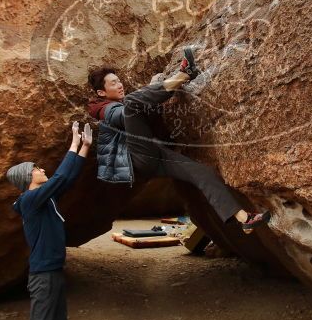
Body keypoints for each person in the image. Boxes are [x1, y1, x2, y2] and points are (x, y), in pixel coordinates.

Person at [86, 48, 270, 232]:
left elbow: (144, 113)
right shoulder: (102, 109)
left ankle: (244, 219)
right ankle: (184, 74)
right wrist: (149, 90)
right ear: (102, 93)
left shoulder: (123, 102)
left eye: (118, 81)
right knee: (133, 102)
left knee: (202, 173)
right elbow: (123, 113)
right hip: (139, 159)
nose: (119, 85)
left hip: (156, 153)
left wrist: (151, 89)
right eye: (113, 83)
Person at [4, 121, 92, 320]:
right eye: (37, 168)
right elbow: (59, 179)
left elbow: (66, 178)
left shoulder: (45, 200)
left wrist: (84, 147)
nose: (42, 169)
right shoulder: (30, 200)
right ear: (27, 178)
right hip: (42, 277)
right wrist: (73, 145)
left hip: (54, 272)